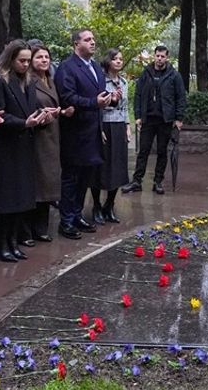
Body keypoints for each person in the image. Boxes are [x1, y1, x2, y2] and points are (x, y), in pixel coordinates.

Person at [0, 40, 56, 261]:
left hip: (24, 145)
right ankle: (1, 242)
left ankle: (13, 240)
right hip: (5, 147)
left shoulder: (28, 82)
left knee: (20, 196)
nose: (26, 65)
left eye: (27, 60)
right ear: (10, 59)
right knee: (5, 198)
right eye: (21, 60)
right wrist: (24, 123)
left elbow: (30, 110)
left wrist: (42, 116)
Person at [54, 28, 112, 239]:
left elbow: (98, 95)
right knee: (71, 177)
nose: (93, 42)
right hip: (75, 132)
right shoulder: (67, 68)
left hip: (92, 131)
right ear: (76, 44)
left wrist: (109, 99)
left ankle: (77, 214)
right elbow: (67, 96)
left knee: (85, 178)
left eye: (93, 39)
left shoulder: (96, 67)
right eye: (88, 40)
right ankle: (66, 220)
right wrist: (92, 103)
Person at [125, 45, 187, 195]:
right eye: (157, 56)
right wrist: (138, 116)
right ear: (154, 56)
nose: (159, 59)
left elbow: (181, 97)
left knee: (162, 152)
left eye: (162, 56)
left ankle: (158, 182)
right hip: (148, 119)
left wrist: (179, 118)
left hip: (165, 120)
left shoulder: (174, 75)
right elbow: (138, 95)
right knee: (143, 151)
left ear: (167, 58)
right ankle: (136, 181)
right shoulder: (146, 73)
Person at [24, 41, 66, 243]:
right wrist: (42, 115)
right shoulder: (28, 81)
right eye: (39, 57)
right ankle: (31, 228)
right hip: (37, 138)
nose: (44, 60)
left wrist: (61, 111)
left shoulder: (51, 80)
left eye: (47, 57)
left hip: (53, 136)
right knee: (38, 184)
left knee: (49, 183)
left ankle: (41, 226)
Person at [94, 49, 130, 224]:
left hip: (119, 126)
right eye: (115, 59)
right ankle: (96, 206)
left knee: (118, 166)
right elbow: (98, 106)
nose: (118, 61)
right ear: (108, 61)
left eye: (121, 59)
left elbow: (126, 107)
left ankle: (109, 204)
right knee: (102, 166)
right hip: (105, 124)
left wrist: (127, 126)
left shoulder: (124, 82)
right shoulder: (101, 81)